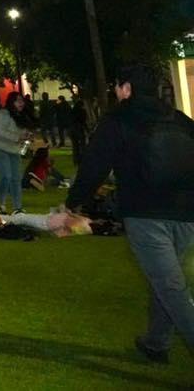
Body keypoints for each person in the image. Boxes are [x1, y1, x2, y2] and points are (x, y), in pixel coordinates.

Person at [65, 63, 194, 364]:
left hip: (146, 213)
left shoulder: (119, 119)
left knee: (172, 287)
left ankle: (159, 342)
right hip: (187, 212)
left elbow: (94, 166)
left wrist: (73, 201)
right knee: (164, 279)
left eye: (117, 86)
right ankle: (156, 342)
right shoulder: (180, 119)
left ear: (126, 88)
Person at [0, 92, 30, 214]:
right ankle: (1, 203)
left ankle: (17, 208)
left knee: (16, 178)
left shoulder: (21, 116)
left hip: (13, 149)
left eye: (22, 101)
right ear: (11, 102)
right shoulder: (2, 114)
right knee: (6, 175)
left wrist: (26, 136)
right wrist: (17, 137)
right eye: (18, 101)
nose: (21, 103)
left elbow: (23, 131)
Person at [69, 97, 89, 164]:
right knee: (82, 146)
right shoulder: (82, 111)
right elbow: (83, 122)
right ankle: (82, 159)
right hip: (79, 129)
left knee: (75, 146)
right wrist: (87, 130)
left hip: (72, 130)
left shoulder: (73, 110)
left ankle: (75, 160)